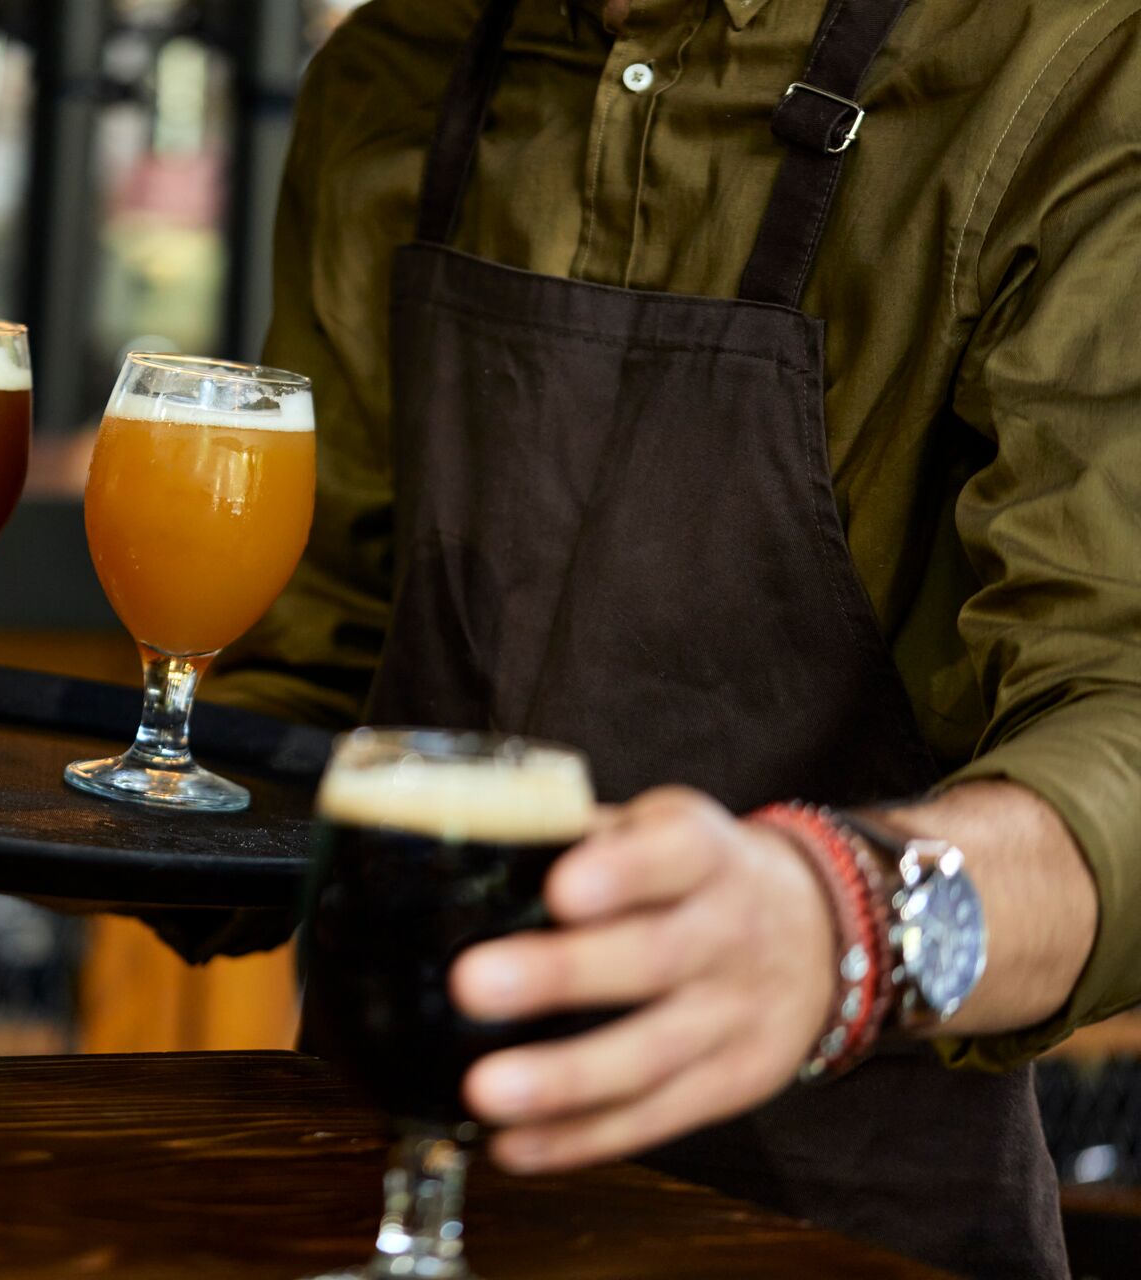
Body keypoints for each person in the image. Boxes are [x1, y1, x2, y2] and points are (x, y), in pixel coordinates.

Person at [209, 0, 1141, 1274]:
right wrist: (49, 794)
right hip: (380, 1192)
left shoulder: (1073, 70)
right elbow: (318, 675)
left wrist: (843, 917)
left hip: (839, 1224)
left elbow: (1124, 711)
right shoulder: (394, 65)